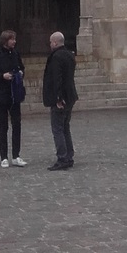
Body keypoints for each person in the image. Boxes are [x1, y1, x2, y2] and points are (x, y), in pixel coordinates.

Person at [0, 29, 27, 168]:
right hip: (1, 94)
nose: (14, 41)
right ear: (5, 40)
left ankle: (16, 155)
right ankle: (3, 156)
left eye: (14, 39)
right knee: (3, 125)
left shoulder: (15, 53)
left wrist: (20, 73)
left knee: (17, 124)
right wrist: (2, 76)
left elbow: (21, 67)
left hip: (15, 93)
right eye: (11, 39)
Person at [42, 31, 78, 171]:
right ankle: (69, 155)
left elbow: (57, 79)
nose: (50, 45)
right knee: (65, 128)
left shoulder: (56, 57)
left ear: (55, 43)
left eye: (51, 42)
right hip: (70, 96)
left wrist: (58, 98)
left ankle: (62, 157)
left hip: (62, 98)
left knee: (58, 129)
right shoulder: (69, 55)